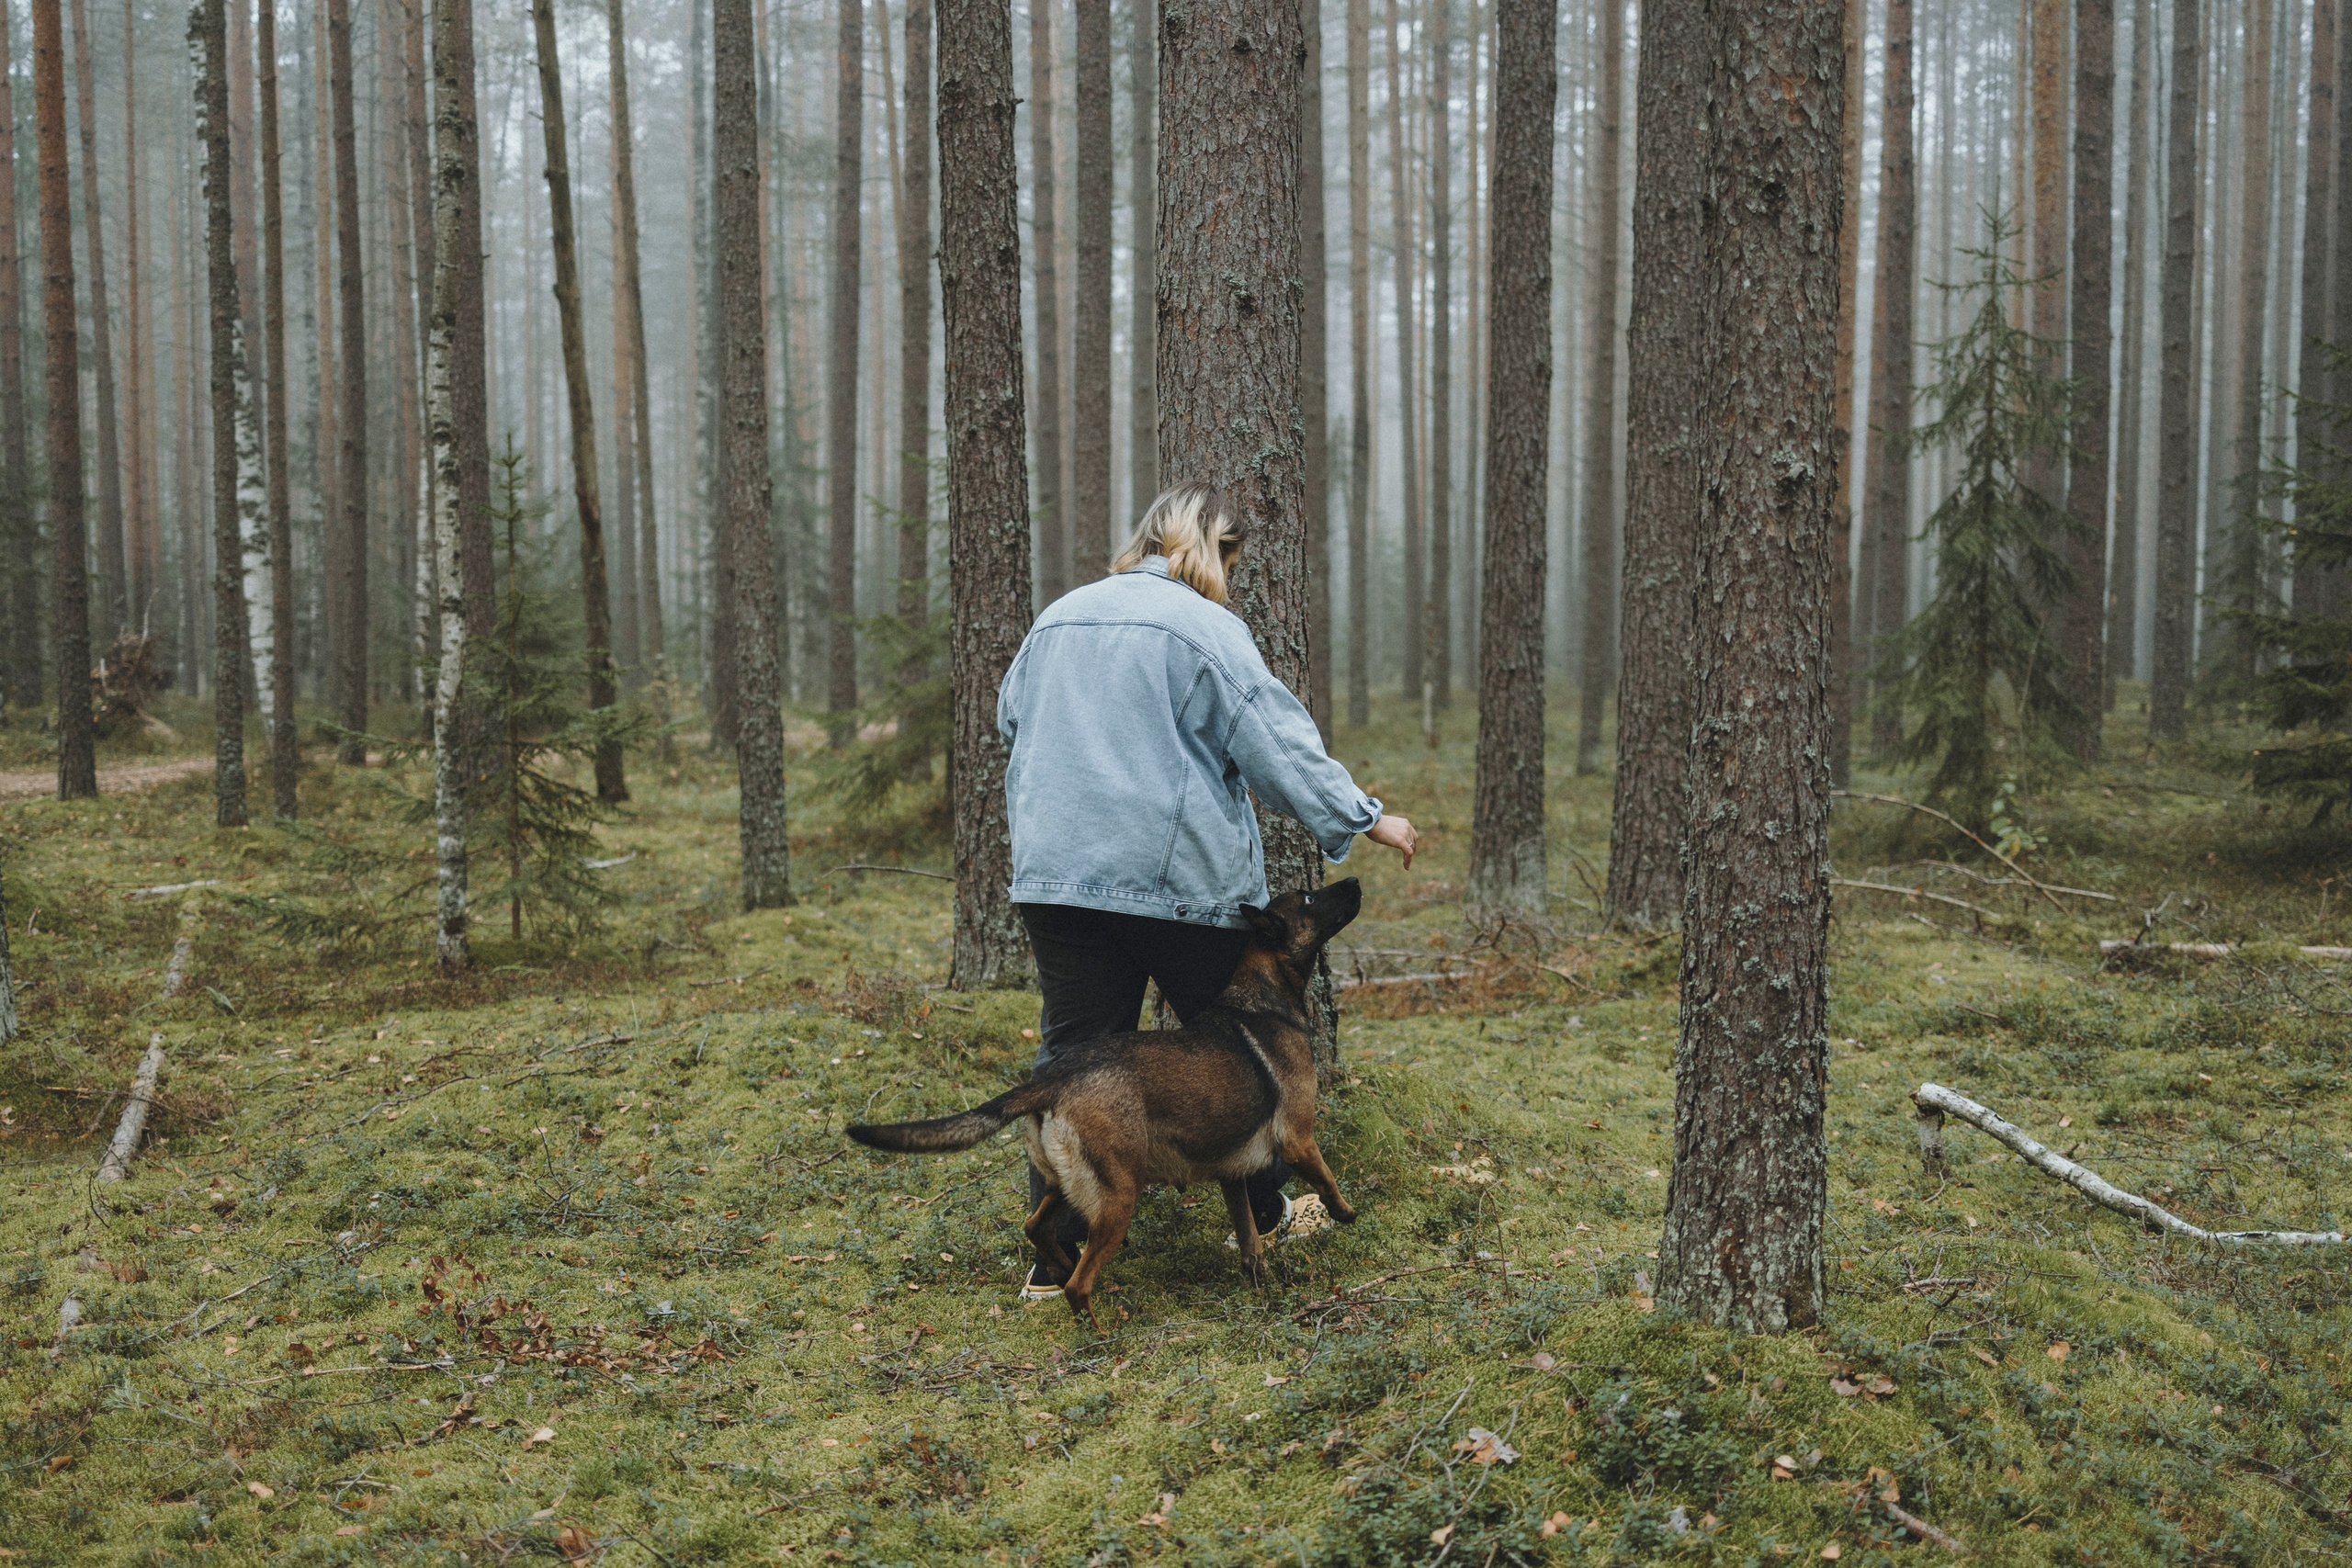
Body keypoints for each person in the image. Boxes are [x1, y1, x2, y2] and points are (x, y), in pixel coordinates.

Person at [996, 481, 1418, 1300]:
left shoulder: (1059, 617)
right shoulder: (1204, 627)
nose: (1233, 576)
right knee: (1240, 1045)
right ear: (1207, 549)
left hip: (1056, 879)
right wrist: (1365, 818)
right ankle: (1264, 1213)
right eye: (1232, 559)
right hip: (1173, 883)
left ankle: (1053, 1261)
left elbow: (1012, 720)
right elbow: (1276, 742)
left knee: (1075, 1056)